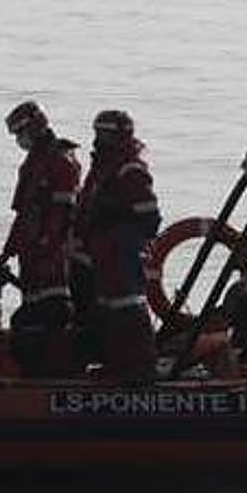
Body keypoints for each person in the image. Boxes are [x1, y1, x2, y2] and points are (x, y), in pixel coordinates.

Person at [0, 101, 81, 377]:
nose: (19, 141)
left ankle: (56, 367)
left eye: (20, 134)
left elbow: (64, 213)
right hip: (32, 254)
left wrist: (48, 246)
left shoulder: (61, 161)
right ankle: (37, 364)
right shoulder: (33, 164)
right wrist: (7, 252)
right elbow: (23, 215)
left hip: (53, 254)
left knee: (52, 310)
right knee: (33, 310)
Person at [74, 110, 161, 381]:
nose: (97, 139)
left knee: (127, 305)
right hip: (103, 249)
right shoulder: (103, 167)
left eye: (103, 133)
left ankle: (139, 366)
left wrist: (118, 215)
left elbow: (149, 216)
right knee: (106, 307)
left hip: (122, 249)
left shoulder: (129, 168)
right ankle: (116, 362)